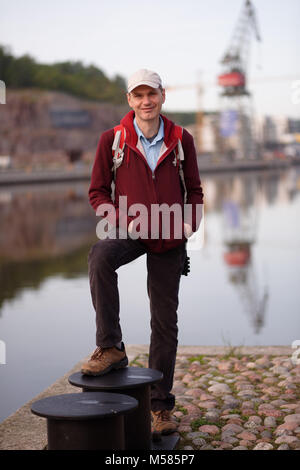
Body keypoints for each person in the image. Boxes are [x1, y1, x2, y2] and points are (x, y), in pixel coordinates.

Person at [81, 69, 204, 437]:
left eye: (152, 94)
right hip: (130, 229)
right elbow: (97, 193)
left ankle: (161, 406)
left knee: (164, 321)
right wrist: (123, 220)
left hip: (169, 234)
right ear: (129, 100)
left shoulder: (182, 139)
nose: (146, 101)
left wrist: (188, 224)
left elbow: (195, 190)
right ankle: (111, 346)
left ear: (162, 96)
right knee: (100, 256)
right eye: (138, 95)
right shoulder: (113, 139)